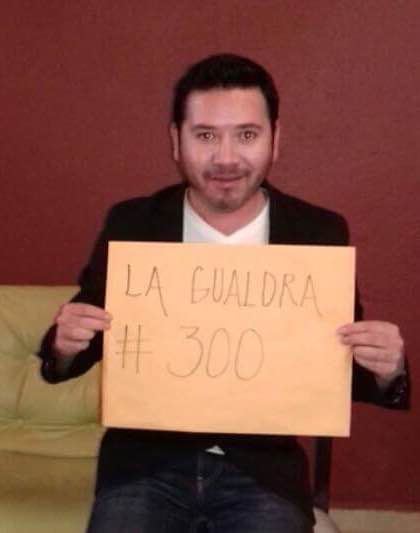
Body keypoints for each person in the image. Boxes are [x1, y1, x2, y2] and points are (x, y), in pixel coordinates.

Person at [38, 54, 409, 533]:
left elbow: (337, 368)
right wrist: (65, 344)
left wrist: (387, 369)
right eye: (206, 135)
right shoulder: (133, 223)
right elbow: (77, 351)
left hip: (262, 472)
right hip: (145, 466)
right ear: (176, 140)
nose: (227, 158)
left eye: (247, 135)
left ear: (276, 139)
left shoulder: (317, 231)